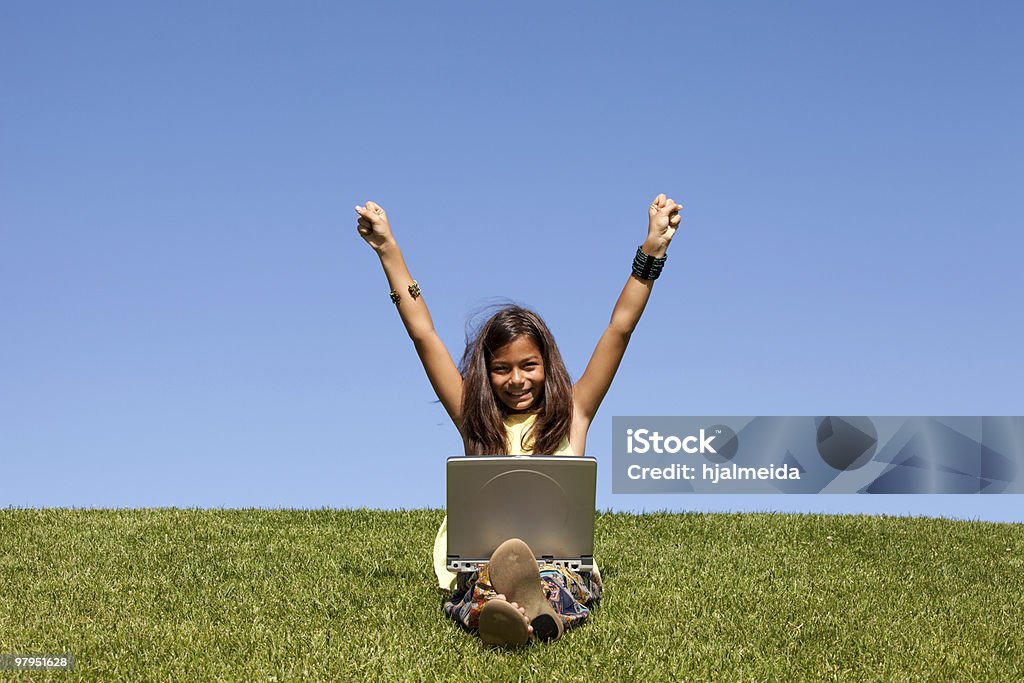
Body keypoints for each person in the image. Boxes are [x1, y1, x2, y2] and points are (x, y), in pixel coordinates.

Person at [354, 193, 682, 646]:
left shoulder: (574, 412)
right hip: (481, 561)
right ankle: (523, 615)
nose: (516, 380)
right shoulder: (473, 417)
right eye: (501, 368)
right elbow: (422, 332)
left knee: (555, 579)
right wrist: (388, 250)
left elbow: (619, 329)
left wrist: (653, 250)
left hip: (560, 563)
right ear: (486, 373)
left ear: (547, 363)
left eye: (528, 365)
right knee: (484, 583)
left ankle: (521, 611)